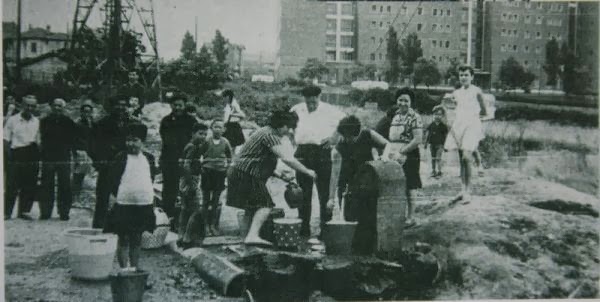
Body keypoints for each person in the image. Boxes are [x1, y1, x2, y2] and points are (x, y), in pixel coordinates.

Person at [227, 109, 316, 246]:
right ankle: (252, 236)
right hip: (247, 173)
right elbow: (287, 159)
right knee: (265, 205)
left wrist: (280, 175)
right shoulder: (270, 135)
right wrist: (307, 171)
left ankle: (246, 238)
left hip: (239, 172)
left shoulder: (264, 131)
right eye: (290, 127)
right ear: (284, 125)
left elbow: (257, 159)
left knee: (250, 208)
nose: (289, 131)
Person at [291, 85, 346, 237]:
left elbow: (348, 121)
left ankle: (325, 229)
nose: (311, 105)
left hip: (322, 152)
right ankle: (304, 229)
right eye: (308, 102)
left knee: (324, 192)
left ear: (319, 97)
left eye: (314, 102)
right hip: (302, 152)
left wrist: (334, 137)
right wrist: (292, 139)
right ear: (304, 99)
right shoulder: (297, 109)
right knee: (303, 192)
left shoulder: (330, 110)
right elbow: (288, 125)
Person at [104, 123, 157, 272]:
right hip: (124, 203)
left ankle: (134, 268)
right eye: (128, 140)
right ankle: (123, 269)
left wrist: (146, 196)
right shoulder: (121, 157)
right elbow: (112, 179)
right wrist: (118, 196)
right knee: (123, 238)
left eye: (135, 140)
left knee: (137, 238)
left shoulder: (149, 158)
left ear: (142, 141)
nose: (131, 144)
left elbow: (150, 178)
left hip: (143, 203)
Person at [444, 65, 487, 204]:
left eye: (466, 75)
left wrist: (475, 118)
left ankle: (468, 191)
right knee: (461, 159)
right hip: (459, 125)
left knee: (467, 157)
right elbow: (452, 107)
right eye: (461, 75)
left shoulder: (477, 91)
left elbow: (484, 110)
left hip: (472, 125)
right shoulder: (456, 93)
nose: (463, 77)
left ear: (472, 77)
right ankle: (462, 190)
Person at [330, 115, 389, 210]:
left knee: (367, 213)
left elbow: (387, 144)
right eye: (344, 136)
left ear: (358, 133)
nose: (347, 139)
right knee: (348, 214)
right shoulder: (339, 147)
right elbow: (334, 174)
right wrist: (331, 199)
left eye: (350, 137)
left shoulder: (368, 134)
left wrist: (385, 155)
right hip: (347, 183)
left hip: (366, 181)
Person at [90, 94, 131, 228]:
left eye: (124, 105)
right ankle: (98, 226)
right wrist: (99, 163)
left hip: (124, 165)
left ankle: (119, 225)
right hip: (106, 165)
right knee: (102, 197)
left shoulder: (129, 122)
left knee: (124, 196)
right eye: (118, 105)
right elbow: (93, 146)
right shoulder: (102, 123)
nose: (121, 108)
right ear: (112, 106)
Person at [385, 88, 423, 228]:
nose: (403, 103)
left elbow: (418, 139)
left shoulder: (414, 117)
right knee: (397, 184)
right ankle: (398, 215)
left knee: (410, 186)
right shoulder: (396, 116)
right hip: (395, 154)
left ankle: (411, 217)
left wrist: (402, 152)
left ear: (411, 102)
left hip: (409, 154)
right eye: (400, 100)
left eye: (406, 100)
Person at [159, 93, 198, 218]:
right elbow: (166, 140)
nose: (177, 108)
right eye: (175, 105)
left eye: (180, 105)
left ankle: (189, 217)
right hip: (170, 159)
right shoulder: (166, 121)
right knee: (169, 188)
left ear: (184, 105)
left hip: (188, 159)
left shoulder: (191, 121)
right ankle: (168, 217)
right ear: (171, 105)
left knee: (189, 188)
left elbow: (196, 140)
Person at [39, 98, 78, 220]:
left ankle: (64, 212)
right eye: (55, 106)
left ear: (63, 108)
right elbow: (41, 139)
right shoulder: (44, 121)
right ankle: (45, 212)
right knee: (46, 185)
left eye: (59, 106)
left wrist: (74, 155)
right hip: (48, 158)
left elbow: (73, 140)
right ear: (51, 107)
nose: (57, 108)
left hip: (63, 157)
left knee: (65, 185)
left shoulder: (69, 122)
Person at [4, 95, 41, 220]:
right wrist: (8, 157)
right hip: (16, 153)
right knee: (12, 184)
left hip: (32, 153)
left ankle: (24, 211)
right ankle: (7, 212)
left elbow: (38, 139)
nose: (30, 108)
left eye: (33, 106)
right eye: (27, 105)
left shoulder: (36, 121)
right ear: (22, 105)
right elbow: (5, 139)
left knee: (29, 183)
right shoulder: (12, 120)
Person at [178, 123, 209, 249]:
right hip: (190, 180)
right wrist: (191, 183)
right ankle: (187, 237)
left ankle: (181, 235)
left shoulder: (194, 146)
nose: (203, 137)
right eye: (200, 133)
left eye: (205, 134)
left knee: (185, 209)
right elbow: (186, 166)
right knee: (196, 210)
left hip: (186, 179)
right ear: (193, 133)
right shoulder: (192, 147)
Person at [201, 119, 233, 236]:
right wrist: (202, 167)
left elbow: (230, 157)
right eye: (215, 127)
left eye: (220, 127)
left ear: (224, 130)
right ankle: (205, 225)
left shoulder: (225, 142)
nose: (218, 129)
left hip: (219, 173)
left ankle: (213, 225)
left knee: (215, 200)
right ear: (211, 128)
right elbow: (200, 154)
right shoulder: (206, 141)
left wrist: (227, 168)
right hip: (207, 172)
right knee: (205, 200)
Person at [72, 99, 95, 204]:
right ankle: (74, 197)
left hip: (90, 151)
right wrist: (75, 152)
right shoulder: (77, 124)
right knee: (78, 175)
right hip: (81, 152)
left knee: (88, 174)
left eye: (89, 111)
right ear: (81, 112)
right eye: (85, 111)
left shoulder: (93, 124)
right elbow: (73, 139)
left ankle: (80, 196)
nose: (87, 114)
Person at [424, 105, 449, 178]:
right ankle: (433, 170)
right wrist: (426, 143)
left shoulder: (443, 126)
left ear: (442, 116)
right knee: (433, 158)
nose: (437, 116)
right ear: (433, 115)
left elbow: (446, 136)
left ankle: (439, 171)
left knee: (438, 158)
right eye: (436, 114)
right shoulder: (431, 125)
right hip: (432, 144)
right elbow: (428, 134)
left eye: (439, 114)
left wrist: (446, 145)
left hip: (440, 145)